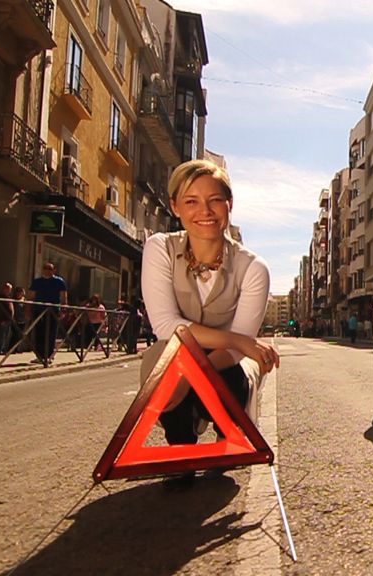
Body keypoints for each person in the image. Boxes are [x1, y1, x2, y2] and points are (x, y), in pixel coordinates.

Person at [141, 158, 279, 490]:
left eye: (215, 199)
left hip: (226, 368)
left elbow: (233, 353)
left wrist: (192, 376)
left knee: (221, 374)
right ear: (174, 206)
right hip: (176, 356)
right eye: (191, 201)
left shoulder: (253, 268)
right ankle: (180, 445)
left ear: (229, 205)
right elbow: (165, 325)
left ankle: (226, 426)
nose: (205, 210)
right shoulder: (159, 248)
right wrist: (238, 340)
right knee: (162, 358)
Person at [28, 262, 68, 364]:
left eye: (50, 269)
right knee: (39, 333)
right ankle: (39, 355)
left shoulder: (59, 281)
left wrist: (63, 309)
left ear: (54, 270)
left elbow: (63, 297)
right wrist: (29, 309)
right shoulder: (37, 282)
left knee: (51, 333)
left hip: (53, 310)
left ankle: (48, 356)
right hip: (39, 309)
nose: (47, 270)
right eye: (46, 268)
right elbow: (31, 296)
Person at [0, 283, 14, 354]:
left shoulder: (8, 297)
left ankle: (2, 349)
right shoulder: (1, 296)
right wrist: (1, 319)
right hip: (3, 319)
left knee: (5, 335)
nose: (9, 291)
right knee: (1, 335)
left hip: (8, 319)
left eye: (10, 289)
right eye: (8, 289)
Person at [10, 286, 28, 352]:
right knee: (15, 335)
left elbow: (26, 309)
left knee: (20, 335)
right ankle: (11, 348)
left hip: (23, 320)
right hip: (16, 319)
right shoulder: (14, 300)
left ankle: (17, 348)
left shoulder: (24, 300)